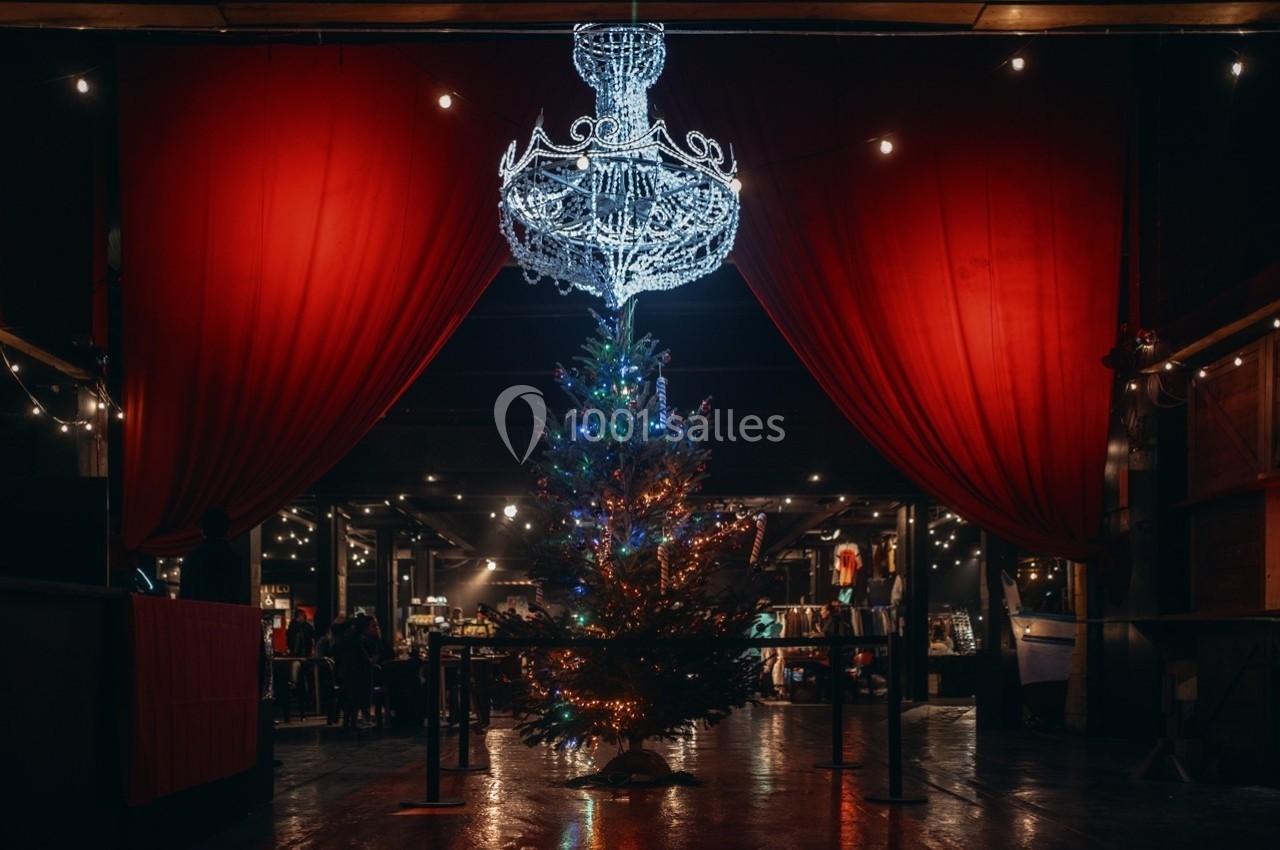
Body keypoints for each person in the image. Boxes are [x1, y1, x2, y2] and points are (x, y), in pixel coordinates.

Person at [179, 507, 247, 604]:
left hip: (196, 611)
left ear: (202, 530)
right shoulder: (235, 560)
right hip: (225, 612)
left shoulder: (191, 558)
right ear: (227, 531)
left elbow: (185, 595)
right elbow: (238, 595)